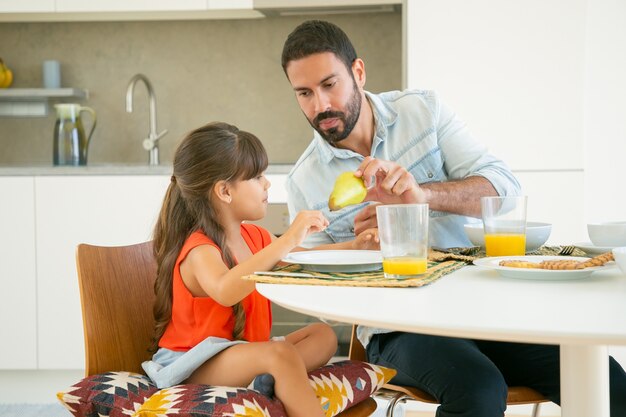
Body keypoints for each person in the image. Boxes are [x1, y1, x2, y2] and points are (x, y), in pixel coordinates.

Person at [280, 20, 626, 417]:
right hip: (400, 327)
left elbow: (504, 189)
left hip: (488, 309)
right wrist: (359, 253)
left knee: (611, 386)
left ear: (358, 72)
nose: (320, 105)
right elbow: (318, 290)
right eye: (304, 93)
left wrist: (422, 197)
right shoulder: (304, 182)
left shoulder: (422, 111)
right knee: (477, 390)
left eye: (329, 84)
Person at [141, 121, 377, 417]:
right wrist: (288, 237)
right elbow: (225, 290)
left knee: (323, 335)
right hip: (193, 363)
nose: (267, 184)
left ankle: (267, 379)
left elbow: (304, 258)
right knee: (280, 354)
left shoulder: (255, 237)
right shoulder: (199, 248)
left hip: (244, 352)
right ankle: (279, 377)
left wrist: (354, 247)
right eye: (257, 177)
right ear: (225, 191)